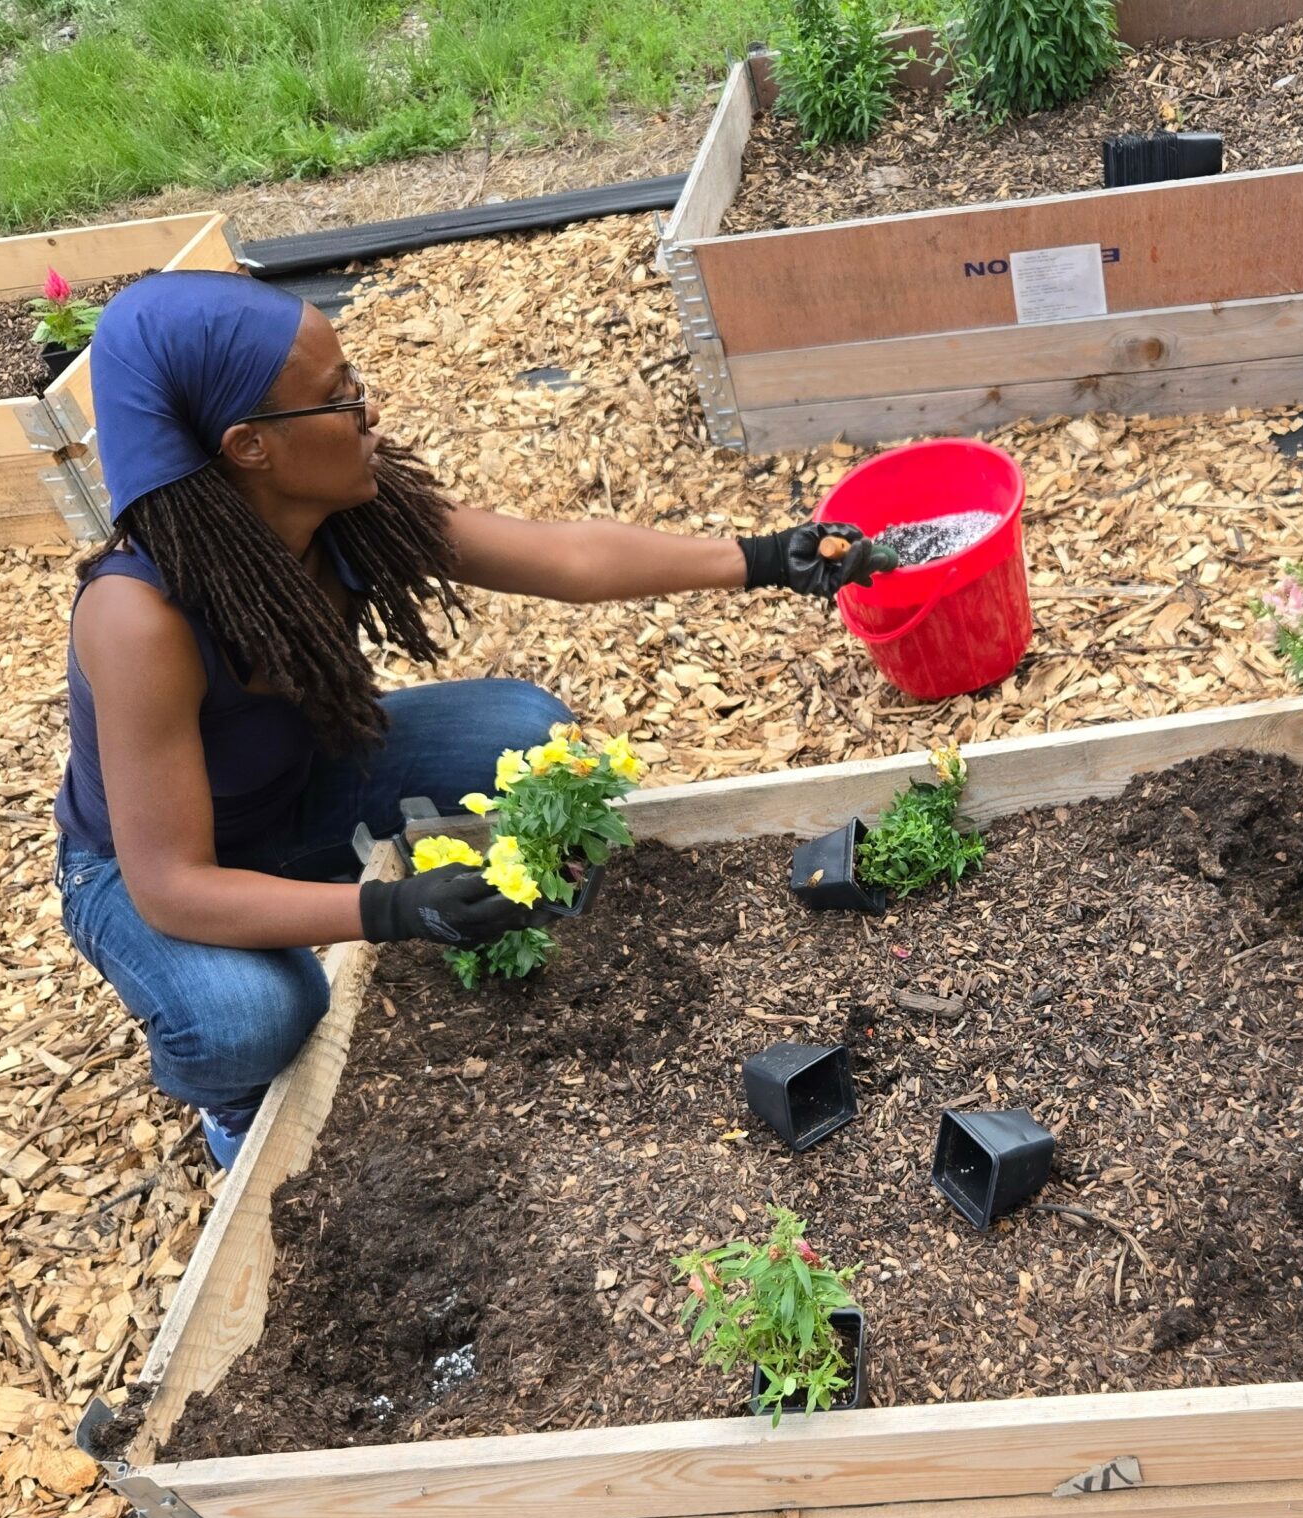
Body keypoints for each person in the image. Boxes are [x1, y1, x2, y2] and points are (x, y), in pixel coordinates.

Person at [55, 271, 880, 1166]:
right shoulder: (139, 618)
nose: (370, 413)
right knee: (261, 1014)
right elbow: (171, 883)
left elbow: (562, 555)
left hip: (297, 790)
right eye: (339, 400)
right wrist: (392, 908)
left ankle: (368, 900)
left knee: (524, 729)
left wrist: (762, 558)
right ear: (249, 446)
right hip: (148, 873)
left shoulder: (342, 512)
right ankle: (227, 1099)